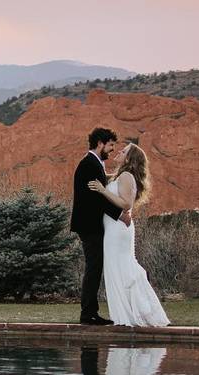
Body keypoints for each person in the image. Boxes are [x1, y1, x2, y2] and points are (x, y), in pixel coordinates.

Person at [88, 142, 170, 327]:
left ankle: (131, 315)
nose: (119, 151)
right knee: (117, 269)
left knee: (121, 268)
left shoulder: (126, 176)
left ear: (129, 158)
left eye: (123, 151)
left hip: (118, 231)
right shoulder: (120, 176)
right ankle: (127, 313)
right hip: (113, 229)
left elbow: (125, 204)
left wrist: (101, 190)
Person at [71, 127, 129, 325]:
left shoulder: (94, 164)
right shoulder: (89, 165)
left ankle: (90, 312)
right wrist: (120, 215)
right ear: (100, 143)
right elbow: (96, 199)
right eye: (110, 145)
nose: (112, 149)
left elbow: (101, 192)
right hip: (89, 226)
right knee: (93, 268)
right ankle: (88, 314)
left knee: (95, 267)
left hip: (92, 225)